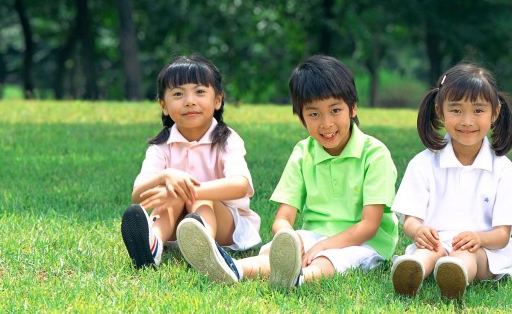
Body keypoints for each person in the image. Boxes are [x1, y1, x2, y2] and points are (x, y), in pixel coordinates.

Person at [177, 54, 399, 290]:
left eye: (335, 110)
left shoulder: (374, 154)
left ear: (353, 108)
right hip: (316, 234)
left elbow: (369, 225)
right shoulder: (303, 152)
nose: (326, 124)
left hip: (366, 243)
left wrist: (324, 246)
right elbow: (283, 218)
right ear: (302, 118)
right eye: (314, 114)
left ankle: (298, 278)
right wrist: (289, 239)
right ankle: (232, 268)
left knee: (328, 259)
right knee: (277, 250)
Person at [390, 63, 512, 300]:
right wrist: (418, 231)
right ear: (440, 111)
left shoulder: (503, 169)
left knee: (466, 257)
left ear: (495, 113)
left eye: (478, 111)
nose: (467, 121)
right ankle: (412, 272)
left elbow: (502, 235)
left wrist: (479, 238)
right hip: (435, 244)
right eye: (456, 110)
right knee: (426, 252)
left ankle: (455, 278)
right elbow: (410, 220)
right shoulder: (423, 163)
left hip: (483, 251)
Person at [120, 55, 261, 270]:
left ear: (217, 100)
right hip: (177, 225)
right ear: (164, 105)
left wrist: (191, 191)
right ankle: (153, 245)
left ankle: (205, 250)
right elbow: (138, 196)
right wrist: (165, 177)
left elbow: (240, 186)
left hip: (226, 226)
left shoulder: (226, 139)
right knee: (170, 196)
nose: (189, 101)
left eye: (200, 92)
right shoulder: (161, 146)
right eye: (178, 94)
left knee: (201, 201)